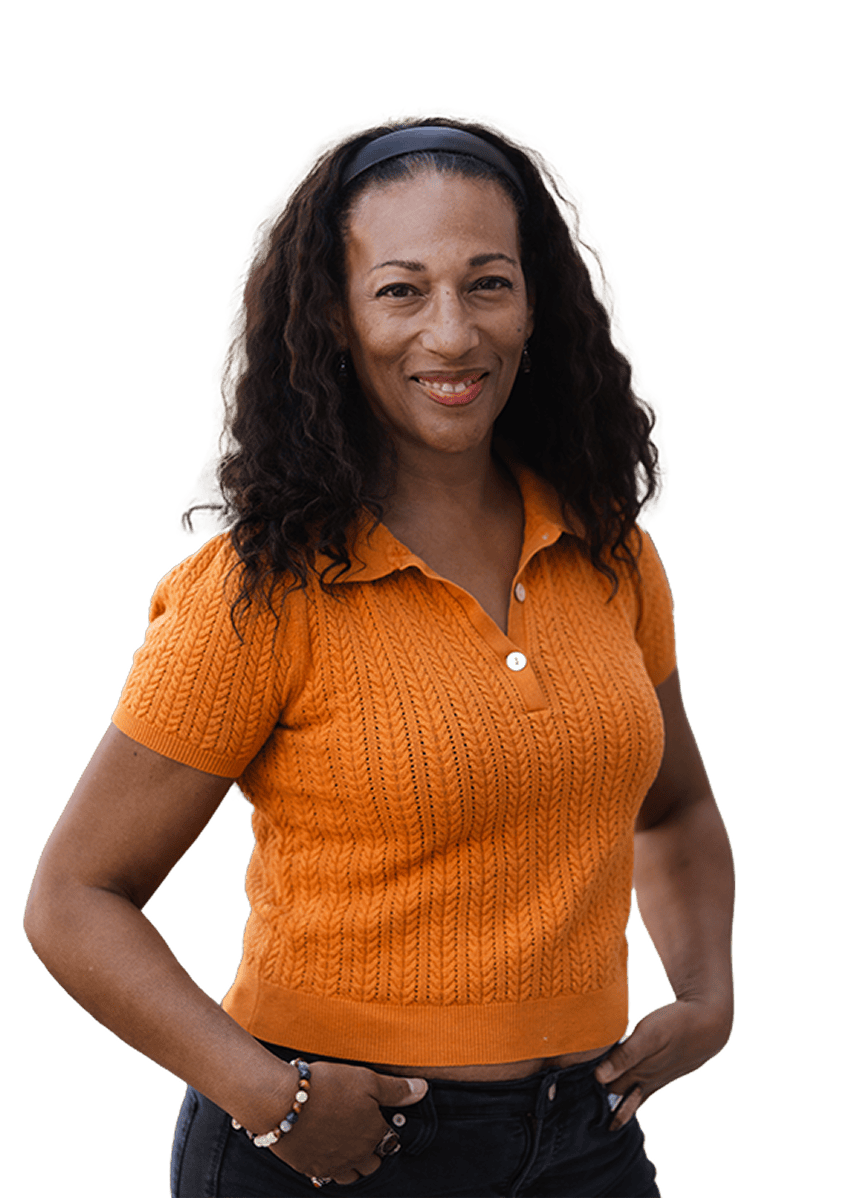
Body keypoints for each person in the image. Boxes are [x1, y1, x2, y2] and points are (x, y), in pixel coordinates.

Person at [24, 107, 735, 1197]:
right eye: (401, 289)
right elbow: (75, 897)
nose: (450, 334)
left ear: (536, 302)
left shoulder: (606, 552)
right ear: (336, 318)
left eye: (487, 283)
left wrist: (704, 995)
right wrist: (276, 1102)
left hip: (582, 1140)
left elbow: (676, 807)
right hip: (333, 1150)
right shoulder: (260, 590)